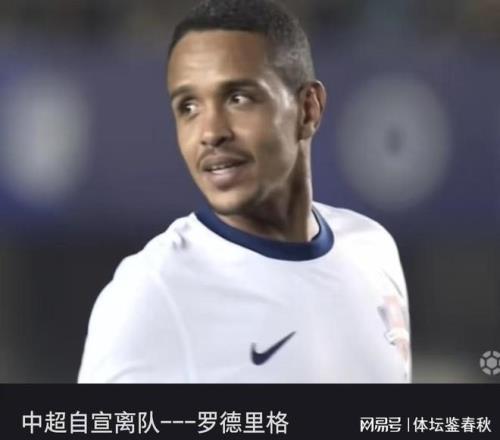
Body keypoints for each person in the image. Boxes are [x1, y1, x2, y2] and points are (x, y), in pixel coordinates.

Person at [78, 0, 411, 383]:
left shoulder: (373, 251)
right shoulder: (151, 293)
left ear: (308, 109)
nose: (210, 132)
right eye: (188, 107)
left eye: (238, 98)